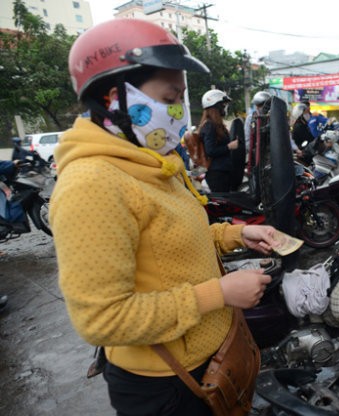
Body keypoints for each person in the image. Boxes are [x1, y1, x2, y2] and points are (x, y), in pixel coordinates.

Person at [51, 19, 277, 415]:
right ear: (112, 96)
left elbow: (173, 242)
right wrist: (219, 294)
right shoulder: (91, 184)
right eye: (170, 96)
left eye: (181, 98)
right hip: (166, 387)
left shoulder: (154, 161)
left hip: (212, 359)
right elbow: (102, 320)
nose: (177, 111)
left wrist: (236, 237)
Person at [199, 89, 237, 192]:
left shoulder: (216, 125)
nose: (224, 108)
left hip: (223, 171)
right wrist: (229, 146)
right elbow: (210, 150)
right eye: (222, 105)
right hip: (217, 173)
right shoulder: (209, 125)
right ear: (215, 107)